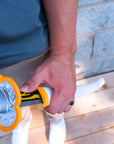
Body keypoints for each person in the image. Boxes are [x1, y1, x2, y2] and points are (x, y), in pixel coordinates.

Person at [0, 0, 78, 144]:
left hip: (32, 43)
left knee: (53, 96)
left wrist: (63, 54)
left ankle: (56, 119)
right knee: (12, 103)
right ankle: (21, 125)